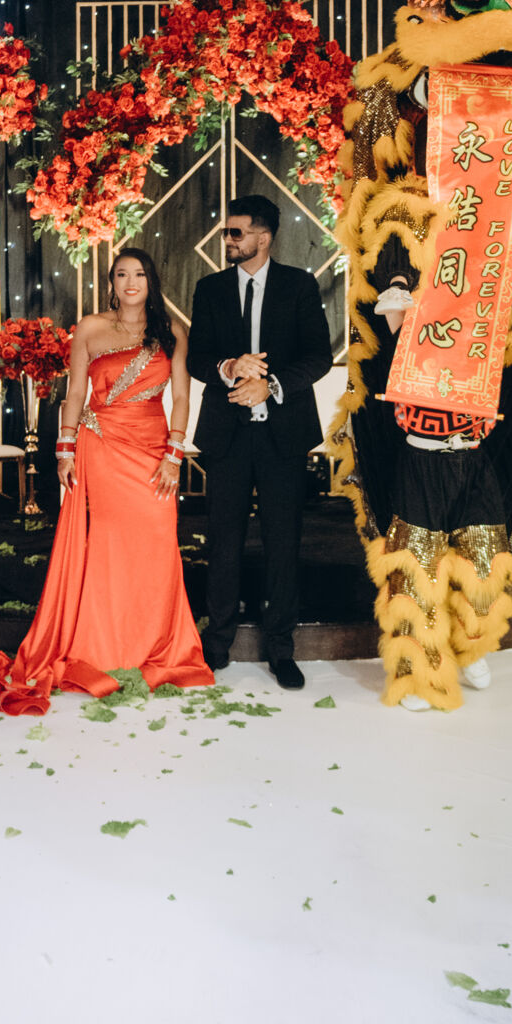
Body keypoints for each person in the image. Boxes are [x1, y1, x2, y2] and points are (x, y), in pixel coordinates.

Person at [0, 248, 213, 715]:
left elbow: (184, 398)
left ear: (152, 281)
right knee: (107, 546)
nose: (131, 282)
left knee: (156, 543)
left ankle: (152, 642)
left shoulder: (171, 332)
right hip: (101, 445)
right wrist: (64, 450)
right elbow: (75, 393)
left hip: (153, 450)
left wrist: (174, 455)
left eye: (139, 274)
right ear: (112, 282)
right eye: (122, 274)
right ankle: (104, 648)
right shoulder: (90, 327)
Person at [187, 194, 333, 688]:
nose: (228, 240)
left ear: (263, 237)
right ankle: (217, 645)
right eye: (227, 232)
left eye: (236, 232)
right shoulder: (209, 288)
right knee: (222, 543)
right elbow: (197, 358)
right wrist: (229, 367)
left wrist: (269, 385)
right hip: (226, 436)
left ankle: (281, 649)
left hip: (283, 435)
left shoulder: (299, 285)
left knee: (283, 543)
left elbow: (318, 357)